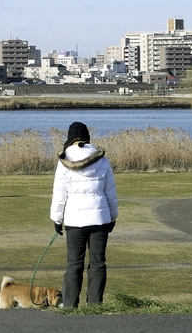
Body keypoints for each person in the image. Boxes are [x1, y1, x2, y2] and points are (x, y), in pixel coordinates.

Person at [50, 121, 118, 308]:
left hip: (74, 220)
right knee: (97, 263)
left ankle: (70, 305)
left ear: (70, 137)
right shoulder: (102, 160)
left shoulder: (64, 161)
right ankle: (94, 305)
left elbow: (60, 194)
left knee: (74, 264)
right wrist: (113, 216)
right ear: (87, 137)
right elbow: (110, 192)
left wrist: (57, 219)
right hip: (100, 219)